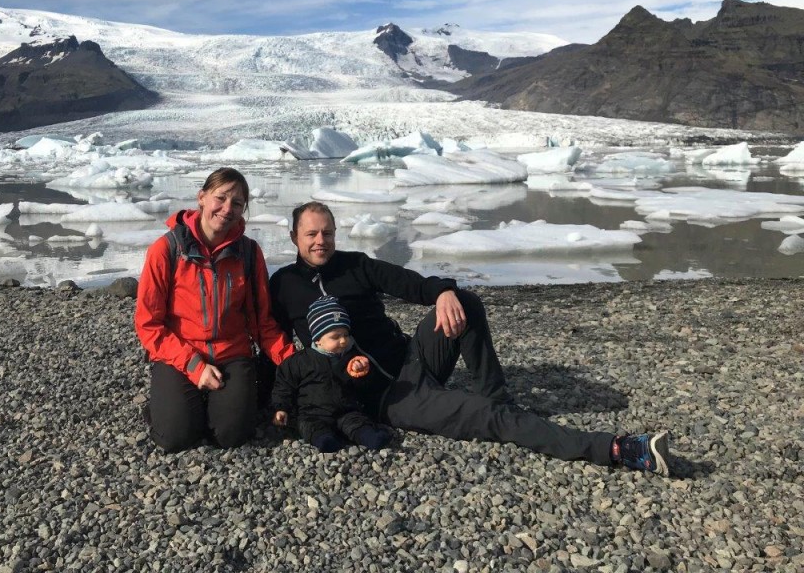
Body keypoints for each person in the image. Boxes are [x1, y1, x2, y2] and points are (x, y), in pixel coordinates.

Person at [268, 201, 671, 475]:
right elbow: (273, 342)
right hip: (390, 398)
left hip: (412, 357)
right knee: (492, 421)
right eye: (311, 235)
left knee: (465, 301)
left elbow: (409, 282)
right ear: (294, 238)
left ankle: (495, 395)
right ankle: (617, 450)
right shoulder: (283, 285)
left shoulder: (356, 265)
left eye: (328, 233)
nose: (321, 241)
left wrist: (443, 291)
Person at [135, 167, 294, 452]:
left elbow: (262, 321)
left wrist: (293, 361)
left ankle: (204, 403)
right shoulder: (166, 250)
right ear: (202, 198)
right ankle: (165, 406)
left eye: (237, 203)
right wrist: (194, 367)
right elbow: (149, 325)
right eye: (220, 198)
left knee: (231, 436)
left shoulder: (248, 252)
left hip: (232, 355)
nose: (227, 209)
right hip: (180, 355)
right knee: (176, 438)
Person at [271, 294, 393, 453]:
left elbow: (365, 387)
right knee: (310, 427)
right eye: (335, 337)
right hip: (313, 413)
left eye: (345, 335)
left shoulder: (352, 357)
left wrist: (362, 373)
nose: (343, 341)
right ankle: (324, 440)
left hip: (346, 410)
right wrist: (281, 408)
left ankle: (369, 436)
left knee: (357, 422)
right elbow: (284, 386)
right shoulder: (299, 361)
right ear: (318, 339)